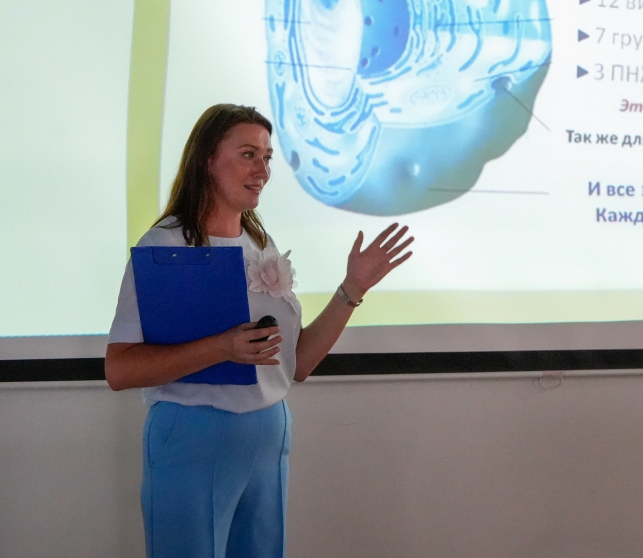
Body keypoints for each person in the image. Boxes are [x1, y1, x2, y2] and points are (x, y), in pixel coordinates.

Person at [104, 104, 413, 558]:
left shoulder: (260, 243)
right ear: (207, 160)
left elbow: (297, 364)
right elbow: (120, 370)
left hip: (268, 436)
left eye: (267, 158)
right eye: (248, 154)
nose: (263, 171)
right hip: (193, 437)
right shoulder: (165, 246)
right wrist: (221, 347)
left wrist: (353, 288)